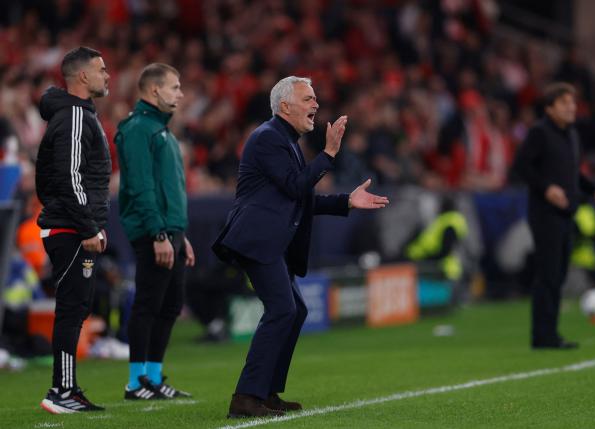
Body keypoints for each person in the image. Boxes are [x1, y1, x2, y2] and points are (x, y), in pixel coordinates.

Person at [213, 76, 389, 418]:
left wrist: (346, 202)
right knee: (283, 309)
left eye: (315, 98)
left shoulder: (287, 140)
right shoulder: (268, 138)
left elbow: (301, 197)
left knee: (294, 310)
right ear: (284, 106)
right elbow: (297, 188)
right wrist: (329, 154)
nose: (316, 105)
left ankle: (266, 393)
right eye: (308, 99)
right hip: (257, 239)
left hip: (269, 241)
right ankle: (246, 397)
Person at [36, 46, 111, 414]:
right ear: (82, 76)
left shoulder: (73, 115)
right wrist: (87, 225)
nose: (107, 75)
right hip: (70, 229)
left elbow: (57, 178)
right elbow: (70, 177)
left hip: (71, 225)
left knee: (76, 307)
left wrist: (91, 223)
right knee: (71, 309)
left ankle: (67, 388)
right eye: (101, 69)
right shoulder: (75, 115)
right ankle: (61, 391)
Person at [115, 63, 195, 400]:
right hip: (154, 232)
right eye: (174, 87)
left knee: (170, 304)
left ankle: (153, 376)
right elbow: (141, 187)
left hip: (170, 230)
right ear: (153, 91)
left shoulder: (161, 130)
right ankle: (136, 382)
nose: (180, 94)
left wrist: (180, 234)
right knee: (149, 303)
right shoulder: (137, 129)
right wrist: (159, 234)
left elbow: (167, 189)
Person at [514, 82, 595, 350]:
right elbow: (521, 166)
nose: (571, 107)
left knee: (557, 275)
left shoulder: (571, 134)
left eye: (572, 102)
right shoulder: (539, 133)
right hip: (545, 214)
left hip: (566, 213)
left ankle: (550, 333)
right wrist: (546, 188)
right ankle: (542, 336)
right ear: (549, 108)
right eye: (564, 103)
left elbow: (574, 175)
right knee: (547, 275)